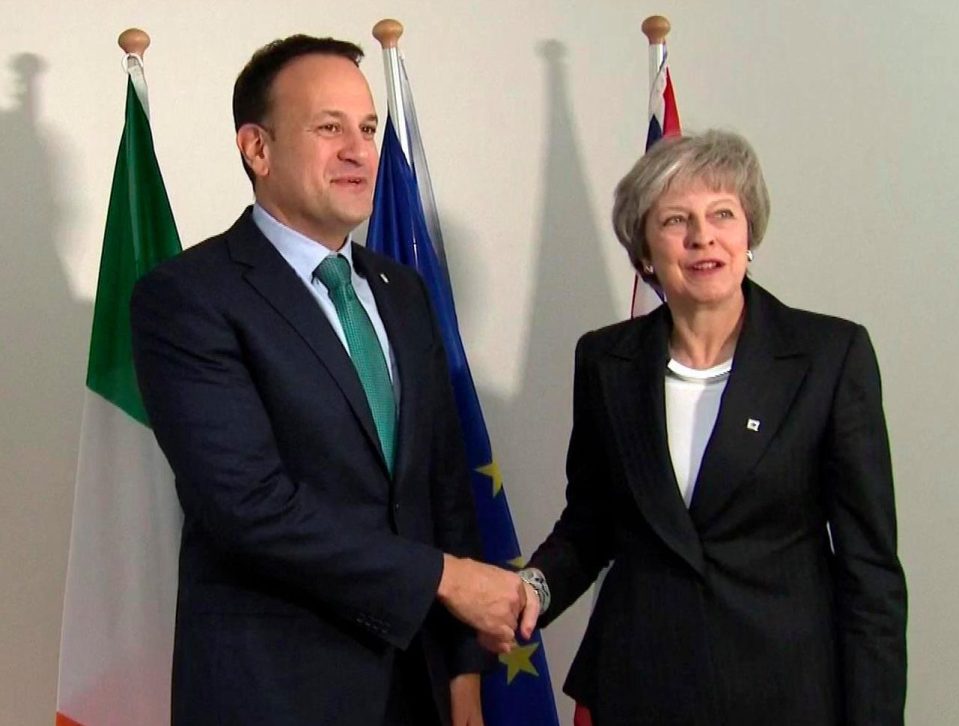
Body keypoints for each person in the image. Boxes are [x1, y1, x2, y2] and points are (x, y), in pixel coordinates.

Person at [130, 35, 525, 726]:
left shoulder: (402, 292)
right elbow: (249, 506)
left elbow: (441, 489)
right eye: (329, 127)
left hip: (419, 687)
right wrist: (447, 580)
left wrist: (462, 672)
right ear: (256, 148)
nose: (359, 150)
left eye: (367, 128)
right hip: (275, 690)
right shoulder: (189, 296)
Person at [515, 130, 907, 725]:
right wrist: (531, 593)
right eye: (676, 219)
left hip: (787, 696)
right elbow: (593, 521)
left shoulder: (830, 356)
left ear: (749, 233)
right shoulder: (605, 360)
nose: (703, 237)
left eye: (722, 213)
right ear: (644, 250)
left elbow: (870, 573)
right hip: (639, 688)